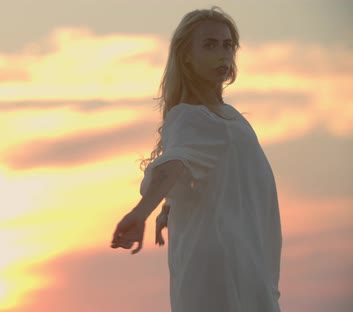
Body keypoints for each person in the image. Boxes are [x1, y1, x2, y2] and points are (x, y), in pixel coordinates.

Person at [110, 6, 282, 312]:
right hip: (219, 273)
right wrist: (141, 212)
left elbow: (201, 170)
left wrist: (170, 205)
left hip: (245, 262)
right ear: (186, 56)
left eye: (228, 45)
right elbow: (173, 165)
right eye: (210, 45)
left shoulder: (226, 118)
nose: (223, 54)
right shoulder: (190, 116)